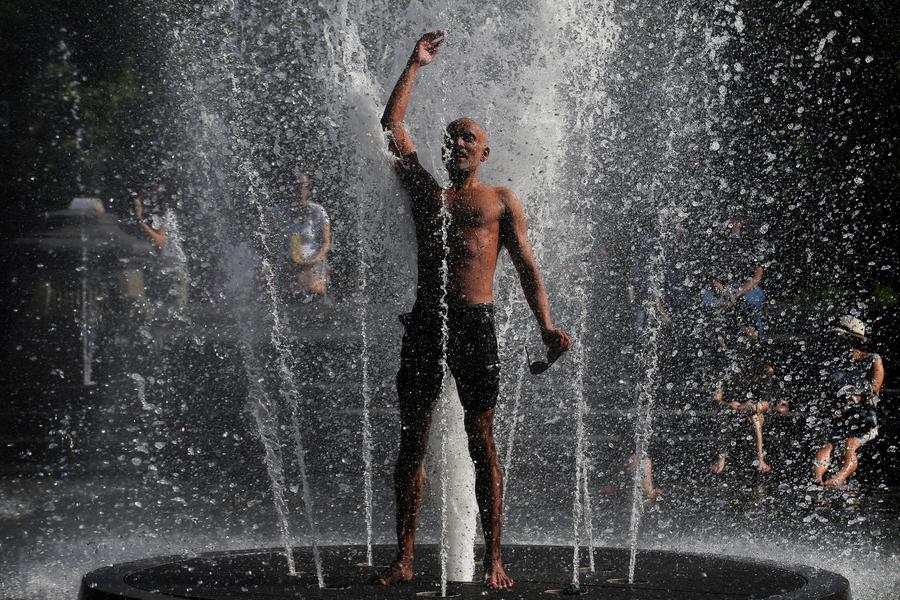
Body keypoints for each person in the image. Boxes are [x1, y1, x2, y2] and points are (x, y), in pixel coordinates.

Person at [377, 31, 571, 590]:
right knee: (412, 436)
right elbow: (393, 128)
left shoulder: (499, 201)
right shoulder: (425, 193)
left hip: (474, 323)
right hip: (426, 322)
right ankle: (405, 556)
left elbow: (528, 268)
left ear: (484, 151)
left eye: (470, 138)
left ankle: (493, 559)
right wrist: (413, 65)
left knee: (480, 435)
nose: (459, 143)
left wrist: (547, 326)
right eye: (453, 137)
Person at [811, 316, 884, 489]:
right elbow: (827, 390)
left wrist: (853, 396)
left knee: (849, 444)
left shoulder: (873, 359)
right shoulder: (832, 362)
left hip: (865, 415)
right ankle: (816, 479)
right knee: (828, 444)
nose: (836, 343)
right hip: (840, 413)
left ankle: (839, 478)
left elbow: (874, 388)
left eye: (840, 338)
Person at [709, 325, 788, 475]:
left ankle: (761, 460)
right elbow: (716, 399)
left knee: (756, 418)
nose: (743, 351)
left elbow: (765, 405)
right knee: (725, 416)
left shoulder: (763, 370)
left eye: (747, 346)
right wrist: (728, 404)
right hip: (733, 410)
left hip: (754, 411)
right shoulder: (727, 370)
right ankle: (721, 461)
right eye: (740, 346)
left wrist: (750, 406)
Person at [132, 189, 189, 312]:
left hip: (175, 268)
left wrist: (140, 219)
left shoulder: (169, 215)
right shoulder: (166, 215)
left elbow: (160, 240)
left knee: (178, 310)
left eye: (139, 205)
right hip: (169, 267)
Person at [277, 174, 331, 297]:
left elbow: (326, 243)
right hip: (289, 265)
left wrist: (315, 260)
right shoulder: (280, 212)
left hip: (313, 263)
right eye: (296, 186)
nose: (299, 190)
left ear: (308, 189)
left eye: (303, 186)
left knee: (312, 287)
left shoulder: (318, 211)